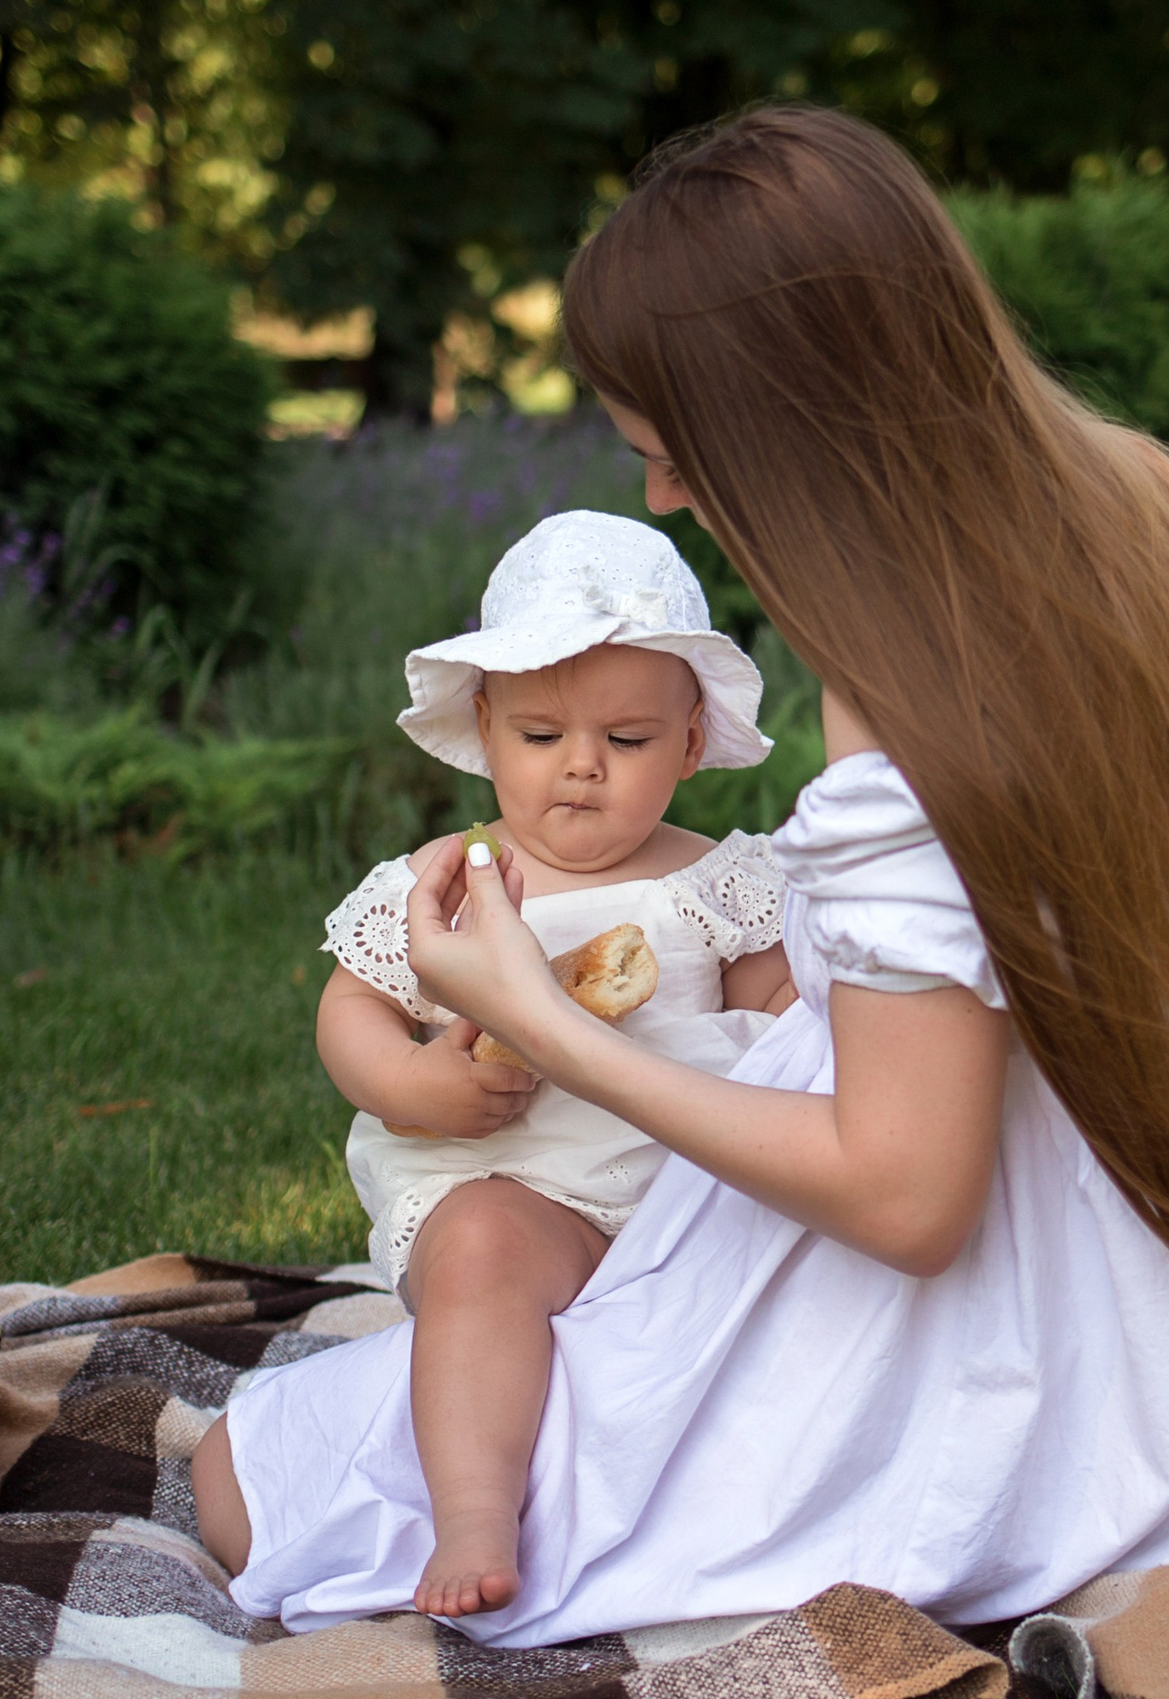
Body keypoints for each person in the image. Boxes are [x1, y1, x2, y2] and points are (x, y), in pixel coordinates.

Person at [196, 104, 1169, 1647]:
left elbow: (910, 1200)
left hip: (1039, 1385)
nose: (666, 502)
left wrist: (538, 1020)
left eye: (665, 451)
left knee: (257, 1479)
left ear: (774, 416)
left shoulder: (905, 676)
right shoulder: (1151, 504)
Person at [194, 512, 792, 1616]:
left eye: (625, 740)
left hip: (681, 1199)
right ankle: (476, 1510)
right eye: (539, 735)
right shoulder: (456, 883)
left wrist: (799, 1005)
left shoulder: (719, 884)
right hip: (516, 1187)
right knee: (482, 1245)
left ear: (693, 740)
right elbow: (355, 1005)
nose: (579, 768)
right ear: (483, 725)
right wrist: (411, 1082)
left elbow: (781, 1026)